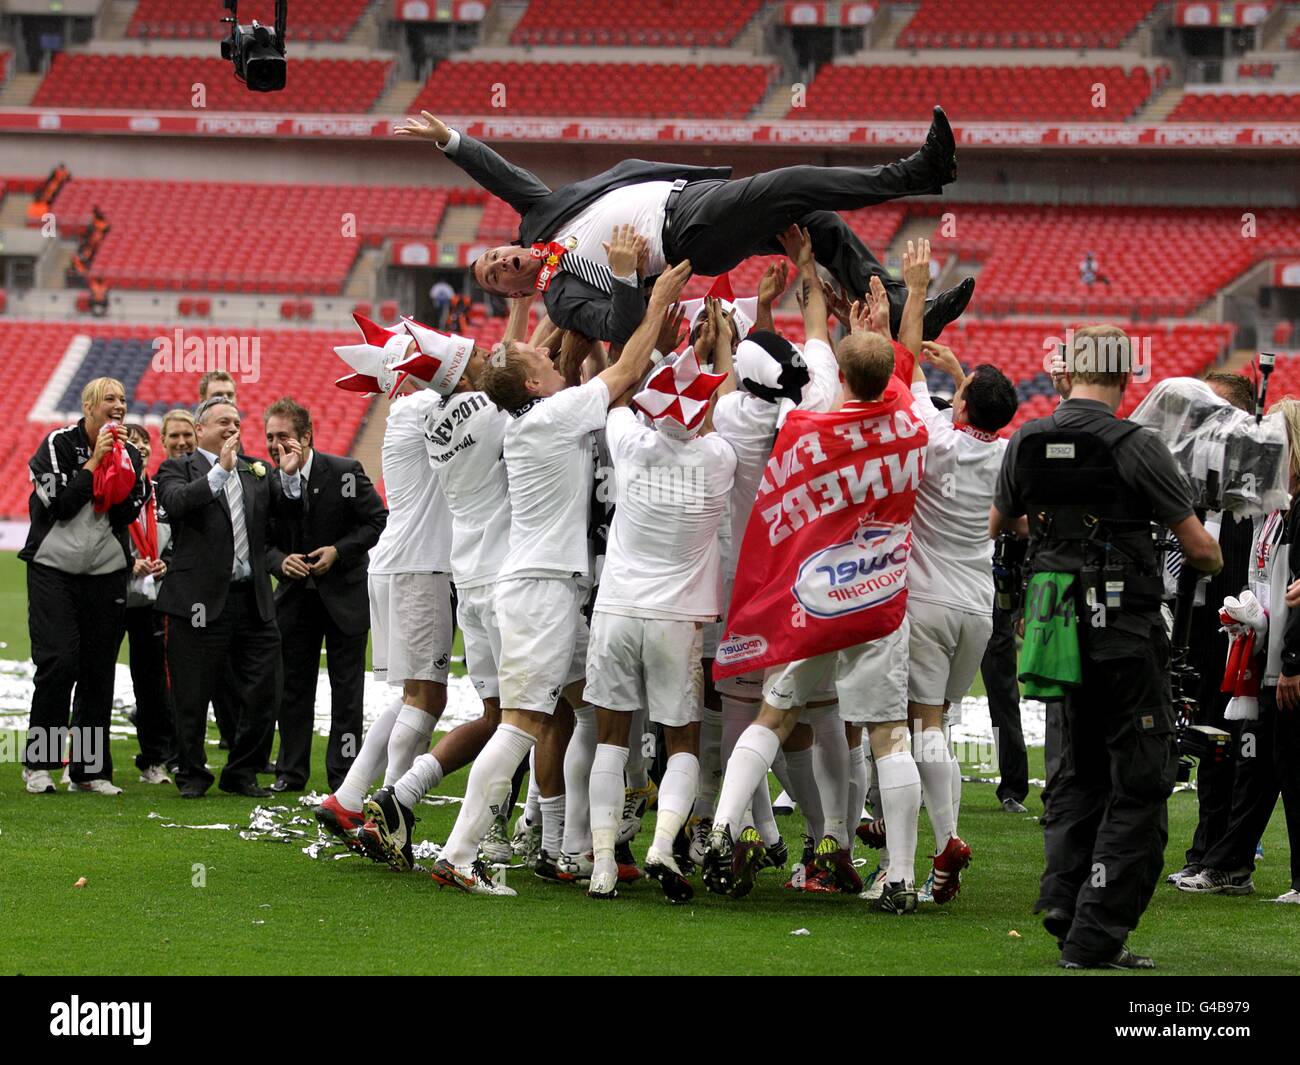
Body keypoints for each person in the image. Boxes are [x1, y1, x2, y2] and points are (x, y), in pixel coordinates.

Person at [428, 243, 693, 896]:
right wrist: (655, 301)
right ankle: (462, 851)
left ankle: (574, 841)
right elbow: (627, 369)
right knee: (521, 722)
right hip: (541, 591)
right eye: (539, 362)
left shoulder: (532, 413)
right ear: (532, 385)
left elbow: (560, 354)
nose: (550, 360)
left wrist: (550, 304)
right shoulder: (547, 418)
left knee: (586, 704)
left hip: (547, 589)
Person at [704, 241, 931, 911]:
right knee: (887, 733)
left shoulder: (806, 423)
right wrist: (892, 320)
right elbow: (898, 372)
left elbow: (819, 346)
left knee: (774, 716)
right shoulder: (913, 427)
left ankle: (721, 828)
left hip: (816, 595)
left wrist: (812, 288)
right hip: (881, 597)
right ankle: (901, 876)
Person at [990, 324, 1223, 970]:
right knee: (1142, 782)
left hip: (1052, 628)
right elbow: (1201, 548)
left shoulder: (1028, 439)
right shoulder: (1138, 445)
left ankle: (1064, 898)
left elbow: (999, 523)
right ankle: (1096, 933)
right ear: (1125, 378)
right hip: (1124, 635)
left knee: (1075, 771)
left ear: (1070, 373)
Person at [396, 109, 973, 345]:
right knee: (793, 183)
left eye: (495, 256)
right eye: (495, 277)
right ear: (515, 293)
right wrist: (624, 275)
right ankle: (917, 172)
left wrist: (449, 141)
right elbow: (621, 328)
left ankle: (898, 306)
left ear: (508, 244)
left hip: (689, 196)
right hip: (687, 237)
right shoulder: (564, 298)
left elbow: (503, 174)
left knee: (816, 222)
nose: (500, 264)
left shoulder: (542, 217)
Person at [579, 342, 736, 901]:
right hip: (678, 620)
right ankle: (664, 844)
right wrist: (723, 352)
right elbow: (724, 404)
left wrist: (619, 341)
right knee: (684, 742)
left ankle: (600, 863)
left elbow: (614, 387)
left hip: (618, 609)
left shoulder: (631, 444)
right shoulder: (718, 457)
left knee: (611, 743)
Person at [315, 316, 459, 843]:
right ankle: (390, 811)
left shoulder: (404, 410)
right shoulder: (424, 406)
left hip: (396, 563)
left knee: (410, 693)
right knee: (428, 697)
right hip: (420, 566)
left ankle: (351, 797)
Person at [903, 319, 1019, 905]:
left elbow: (909, 382)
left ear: (964, 404)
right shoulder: (1007, 455)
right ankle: (942, 838)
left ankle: (946, 837)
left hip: (926, 602)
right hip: (978, 607)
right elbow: (986, 410)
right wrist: (959, 372)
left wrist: (941, 369)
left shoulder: (935, 439)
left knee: (921, 726)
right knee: (939, 722)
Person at [1178, 395, 1300, 901]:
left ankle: (1237, 864)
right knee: (1260, 766)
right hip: (1264, 655)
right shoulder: (1275, 508)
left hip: (1285, 662)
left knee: (1282, 767)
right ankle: (1230, 864)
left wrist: (1293, 660)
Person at [155, 396, 303, 798]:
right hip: (198, 602)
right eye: (222, 422)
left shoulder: (257, 470)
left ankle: (242, 771)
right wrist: (219, 472)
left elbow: (284, 520)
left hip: (252, 599)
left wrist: (289, 480)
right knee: (191, 693)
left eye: (236, 421)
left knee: (264, 690)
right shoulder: (176, 468)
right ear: (200, 430)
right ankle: (192, 774)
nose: (231, 427)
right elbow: (176, 504)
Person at [20, 378, 147, 795]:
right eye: (110, 399)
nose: (119, 406)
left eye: (123, 400)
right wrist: (95, 462)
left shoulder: (129, 453)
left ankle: (89, 771)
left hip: (104, 571)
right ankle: (39, 763)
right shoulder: (57, 444)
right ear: (89, 406)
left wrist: (125, 468)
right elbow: (58, 504)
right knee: (58, 661)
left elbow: (126, 512)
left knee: (97, 669)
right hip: (53, 567)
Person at [265, 397, 387, 794]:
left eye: (283, 436)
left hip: (345, 599)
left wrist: (339, 551)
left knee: (347, 691)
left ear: (306, 436)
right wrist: (281, 562)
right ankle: (291, 771)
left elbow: (377, 520)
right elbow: (262, 541)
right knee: (293, 688)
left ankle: (343, 777)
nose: (274, 444)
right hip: (295, 599)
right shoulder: (269, 481)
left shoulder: (345, 472)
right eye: (270, 436)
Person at [1165, 372, 1257, 886]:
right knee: (1205, 743)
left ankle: (1226, 856)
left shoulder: (1249, 492)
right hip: (1199, 631)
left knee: (1235, 746)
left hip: (1238, 632)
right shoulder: (1195, 483)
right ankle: (1208, 850)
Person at [119, 422, 175, 784]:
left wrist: (165, 560)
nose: (138, 448)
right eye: (131, 442)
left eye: (143, 443)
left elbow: (178, 540)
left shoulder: (161, 496)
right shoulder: (109, 492)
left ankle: (153, 760)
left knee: (152, 682)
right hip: (112, 591)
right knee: (93, 676)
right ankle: (81, 760)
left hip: (152, 597)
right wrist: (128, 561)